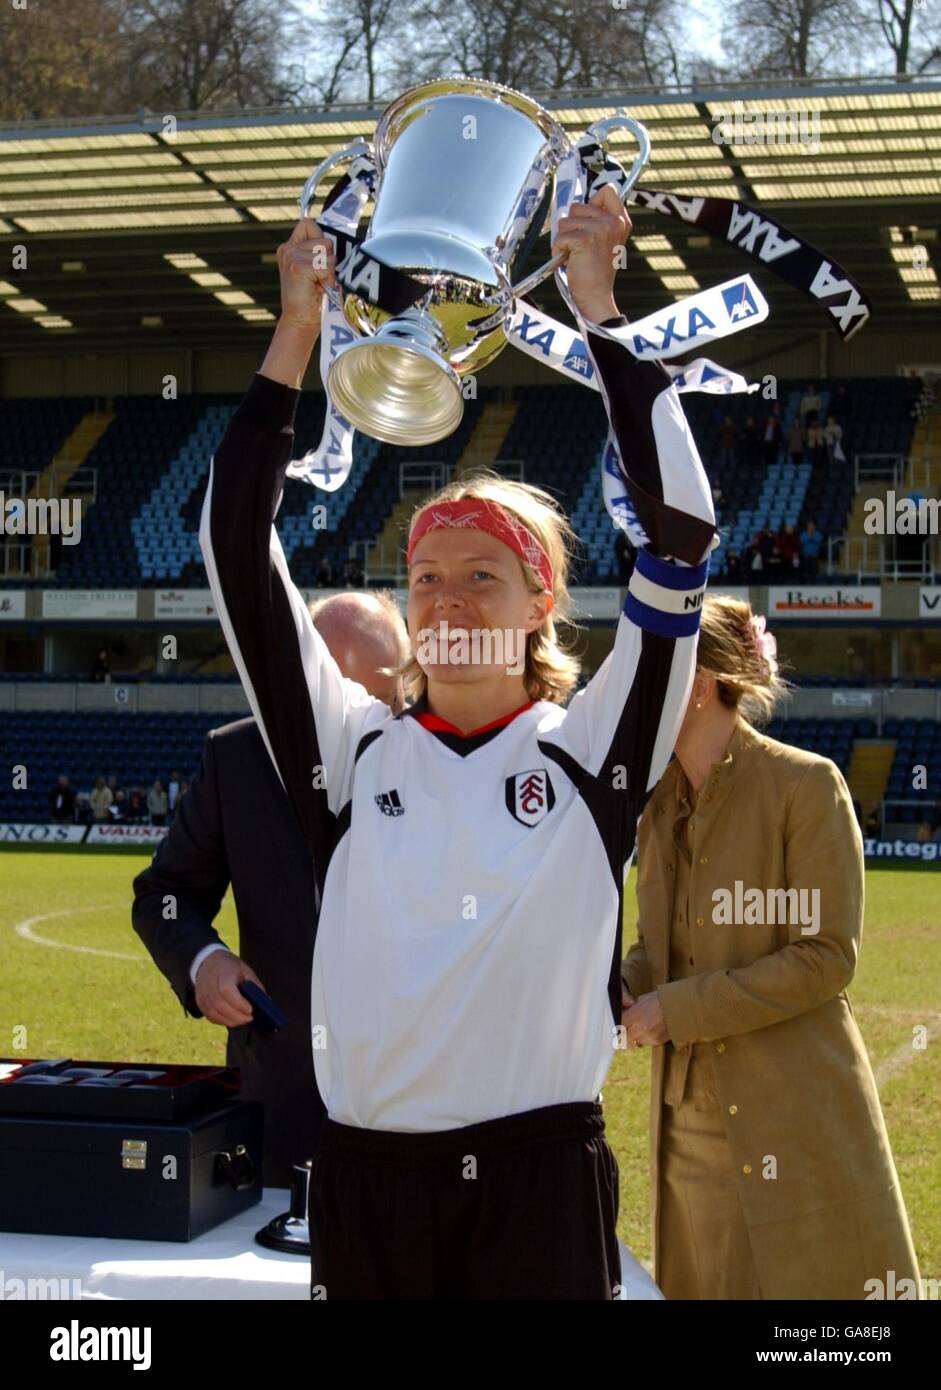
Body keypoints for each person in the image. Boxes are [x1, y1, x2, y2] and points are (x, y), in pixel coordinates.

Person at [198, 192, 715, 1300]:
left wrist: (595, 311)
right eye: (425, 578)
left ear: (539, 603)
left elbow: (677, 540)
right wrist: (295, 332)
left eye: (481, 573)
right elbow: (237, 550)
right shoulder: (348, 752)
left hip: (536, 1183)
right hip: (365, 1180)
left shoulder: (593, 747)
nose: (443, 598)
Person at [620, 595, 920, 1299]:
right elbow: (654, 947)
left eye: (647, 673)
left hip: (791, 1115)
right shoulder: (655, 805)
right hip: (682, 1127)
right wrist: (622, 985)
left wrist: (678, 1010)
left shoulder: (807, 786)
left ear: (696, 684)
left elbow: (824, 955)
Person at [133, 592, 409, 1187]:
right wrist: (204, 964)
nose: (356, 719)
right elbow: (165, 895)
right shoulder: (235, 758)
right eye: (332, 697)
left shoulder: (441, 759)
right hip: (281, 1100)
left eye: (381, 701)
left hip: (420, 1109)